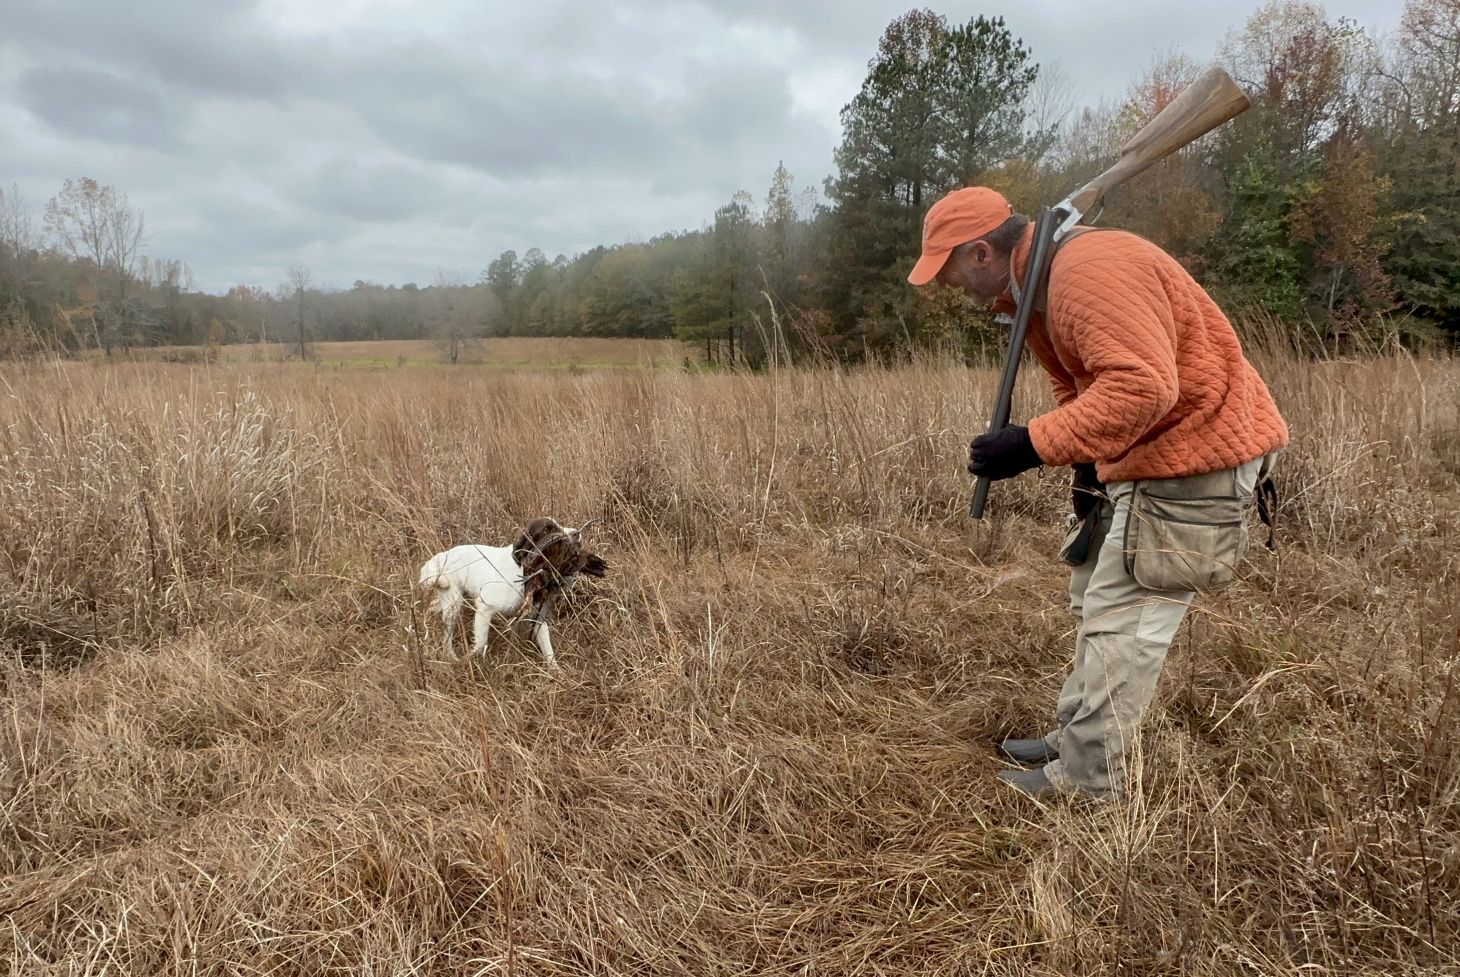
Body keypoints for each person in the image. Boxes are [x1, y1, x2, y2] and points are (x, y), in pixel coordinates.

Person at [908, 186, 1289, 800]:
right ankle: (1075, 742)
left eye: (949, 272)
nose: (951, 288)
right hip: (1147, 454)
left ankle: (1087, 783)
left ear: (980, 252)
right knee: (1094, 601)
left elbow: (1142, 389)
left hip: (1195, 454)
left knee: (1124, 621)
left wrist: (1030, 445)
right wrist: (1086, 464)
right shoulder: (1038, 289)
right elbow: (1084, 387)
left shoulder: (1086, 272)